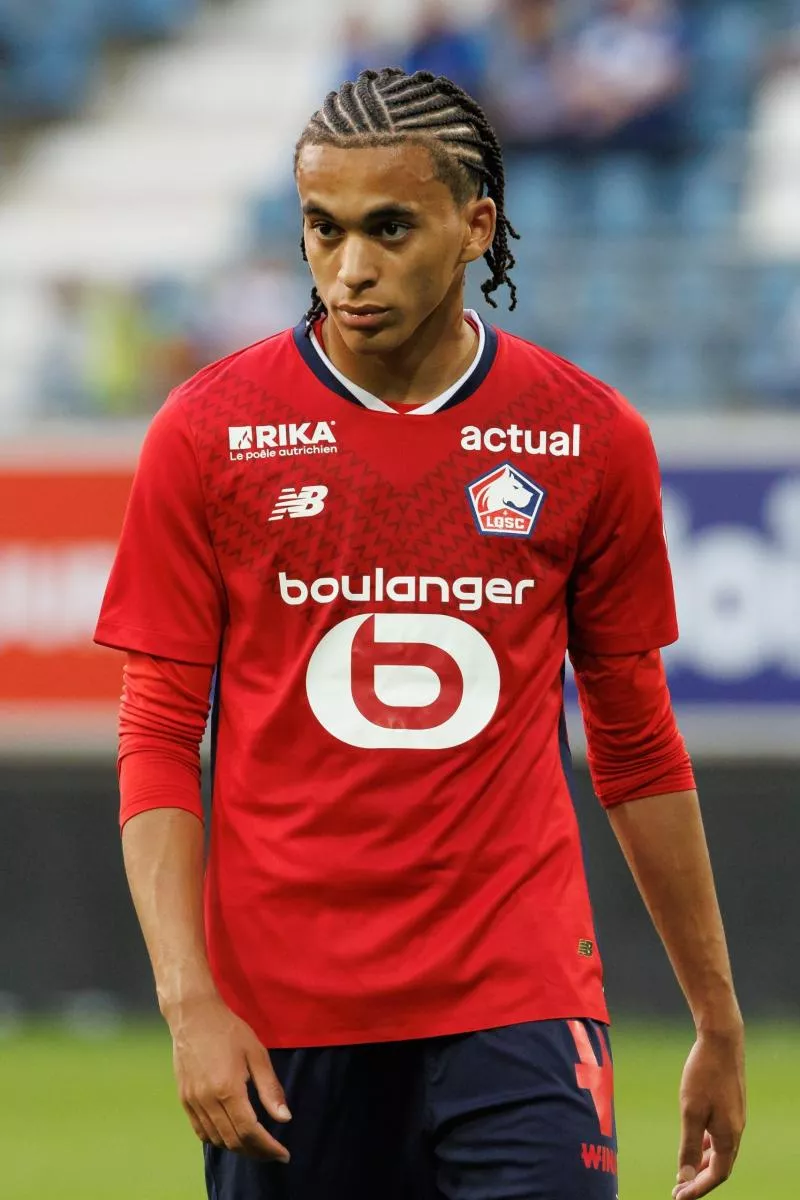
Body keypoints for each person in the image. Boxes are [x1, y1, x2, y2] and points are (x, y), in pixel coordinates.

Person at [94, 67, 745, 1200]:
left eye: (388, 228)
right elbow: (157, 731)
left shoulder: (586, 437)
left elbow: (636, 742)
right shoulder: (207, 433)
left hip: (518, 998)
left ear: (472, 224)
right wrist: (188, 1001)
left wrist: (715, 1015)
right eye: (322, 228)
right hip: (285, 1012)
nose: (349, 268)